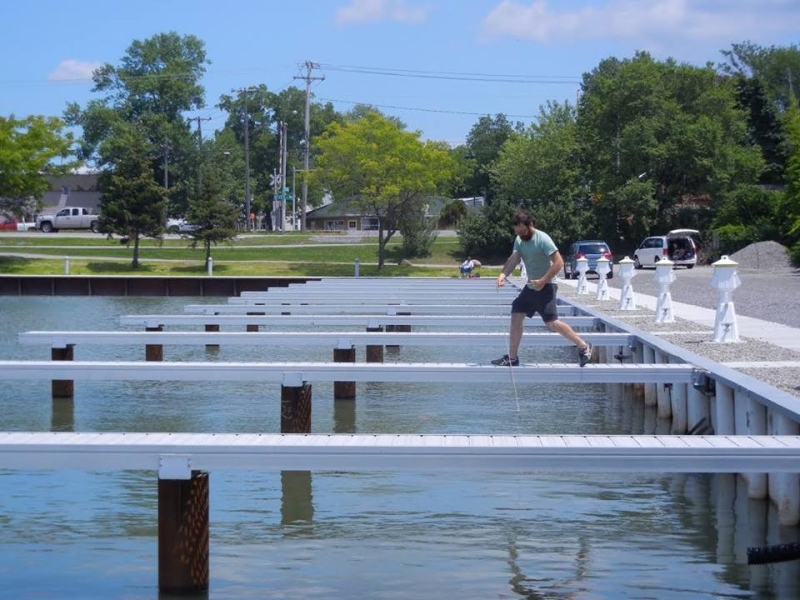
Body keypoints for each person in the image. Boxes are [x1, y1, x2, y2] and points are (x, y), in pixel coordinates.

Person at [492, 209, 593, 367]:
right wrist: (503, 275)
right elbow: (513, 260)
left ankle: (583, 346)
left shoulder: (543, 239)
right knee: (516, 314)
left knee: (551, 323)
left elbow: (559, 262)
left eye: (523, 231)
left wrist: (543, 280)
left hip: (547, 286)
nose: (521, 235)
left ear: (530, 225)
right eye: (518, 232)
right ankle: (512, 358)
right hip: (531, 286)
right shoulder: (519, 240)